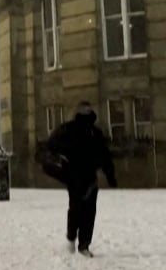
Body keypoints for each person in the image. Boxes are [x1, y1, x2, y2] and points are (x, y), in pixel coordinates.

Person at [40, 101, 117, 257]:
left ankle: (82, 244)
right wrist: (55, 162)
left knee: (87, 211)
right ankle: (72, 238)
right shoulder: (69, 130)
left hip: (88, 177)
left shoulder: (94, 133)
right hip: (74, 175)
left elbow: (104, 156)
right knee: (77, 209)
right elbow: (51, 147)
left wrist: (110, 175)